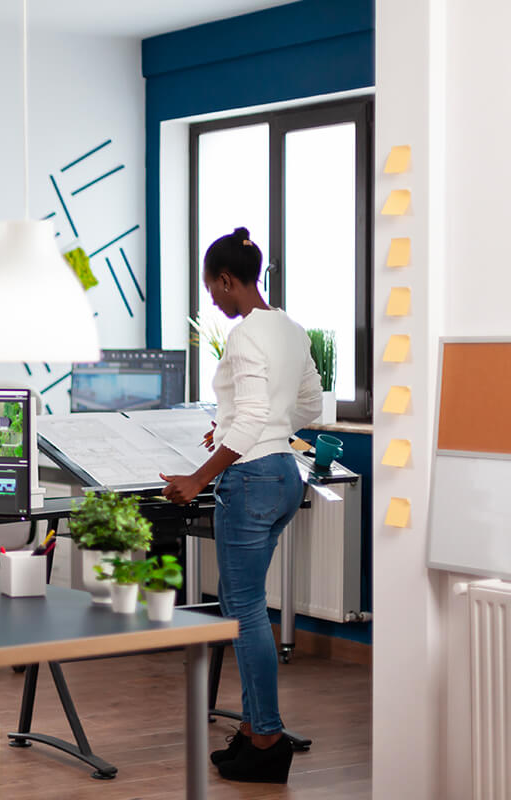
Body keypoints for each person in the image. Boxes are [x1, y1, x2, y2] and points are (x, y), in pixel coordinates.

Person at [159, 227, 321, 784]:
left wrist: (197, 477)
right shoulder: (292, 330)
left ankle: (269, 738)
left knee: (244, 610)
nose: (212, 301)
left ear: (229, 280)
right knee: (248, 606)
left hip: (250, 480)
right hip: (283, 475)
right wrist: (235, 426)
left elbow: (254, 416)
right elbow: (308, 405)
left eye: (211, 289)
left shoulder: (247, 335)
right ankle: (255, 734)